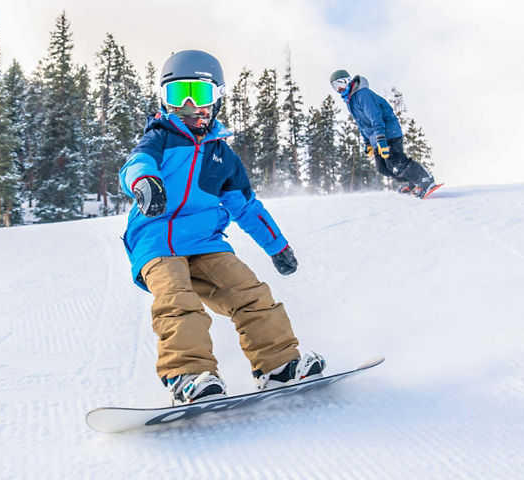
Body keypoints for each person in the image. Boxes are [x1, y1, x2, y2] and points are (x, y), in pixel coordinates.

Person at [119, 50, 325, 405]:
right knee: (178, 301)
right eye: (176, 95)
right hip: (156, 240)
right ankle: (187, 375)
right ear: (164, 100)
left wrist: (277, 246)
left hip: (205, 242)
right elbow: (135, 165)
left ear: (216, 99)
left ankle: (277, 366)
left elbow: (246, 207)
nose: (188, 105)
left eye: (198, 95)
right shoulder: (160, 136)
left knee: (250, 293)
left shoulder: (222, 156)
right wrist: (145, 182)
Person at [330, 69, 440, 198]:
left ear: (347, 81)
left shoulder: (362, 95)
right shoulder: (350, 102)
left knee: (395, 161)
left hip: (388, 132)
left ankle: (424, 179)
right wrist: (367, 143)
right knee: (383, 168)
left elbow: (376, 117)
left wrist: (381, 138)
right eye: (335, 87)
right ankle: (412, 181)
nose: (339, 89)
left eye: (340, 85)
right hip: (375, 137)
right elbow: (362, 124)